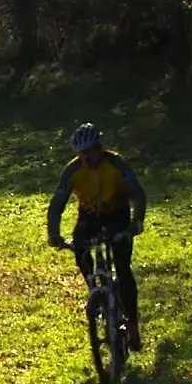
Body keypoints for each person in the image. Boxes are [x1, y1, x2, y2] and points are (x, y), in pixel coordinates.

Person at [47, 123, 147, 350]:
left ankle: (132, 324)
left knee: (123, 270)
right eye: (82, 154)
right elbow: (56, 206)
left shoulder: (116, 163)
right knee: (80, 249)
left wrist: (136, 222)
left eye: (91, 151)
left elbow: (137, 195)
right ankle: (94, 290)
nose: (88, 157)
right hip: (89, 217)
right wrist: (54, 234)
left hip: (117, 215)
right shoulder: (72, 171)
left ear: (100, 148)